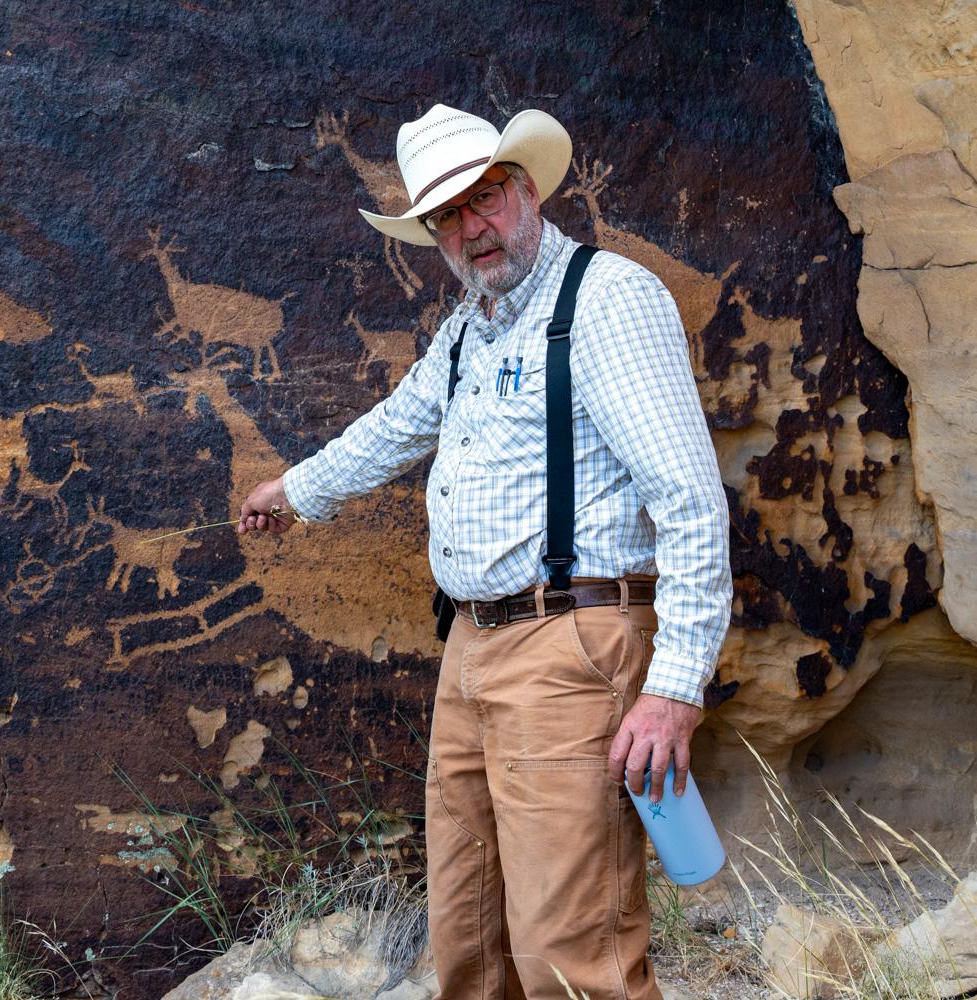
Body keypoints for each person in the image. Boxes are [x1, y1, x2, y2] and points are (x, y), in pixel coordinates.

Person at [237, 105, 731, 1000]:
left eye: (485, 199)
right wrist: (294, 492)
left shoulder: (608, 300)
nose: (471, 228)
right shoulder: (472, 323)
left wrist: (673, 687)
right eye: (446, 218)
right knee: (468, 933)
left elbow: (692, 504)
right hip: (472, 649)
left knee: (570, 951)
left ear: (527, 189)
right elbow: (398, 427)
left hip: (570, 650)